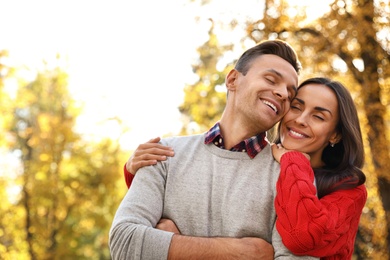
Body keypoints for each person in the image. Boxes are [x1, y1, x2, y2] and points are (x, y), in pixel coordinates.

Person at [109, 39, 318, 260]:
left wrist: (172, 248)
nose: (283, 94)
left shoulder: (291, 175)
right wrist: (243, 253)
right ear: (233, 79)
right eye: (271, 79)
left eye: (290, 93)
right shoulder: (163, 155)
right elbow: (124, 242)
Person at [125, 77, 367, 259]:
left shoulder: (348, 191)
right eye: (296, 106)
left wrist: (292, 161)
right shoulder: (264, 162)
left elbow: (303, 236)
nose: (301, 119)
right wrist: (138, 172)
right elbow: (201, 205)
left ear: (335, 134)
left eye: (318, 116)